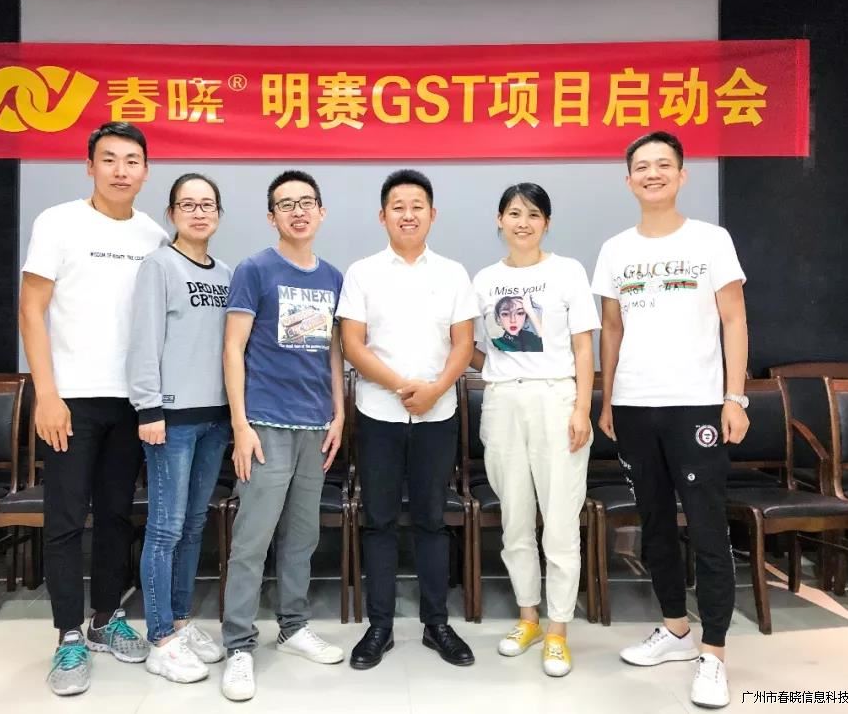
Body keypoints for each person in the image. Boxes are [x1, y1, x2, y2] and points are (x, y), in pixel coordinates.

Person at [591, 131, 749, 710]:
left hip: (697, 404)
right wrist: (608, 399)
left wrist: (735, 397)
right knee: (655, 524)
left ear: (682, 176)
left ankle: (714, 653)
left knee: (706, 527)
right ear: (628, 180)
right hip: (635, 405)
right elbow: (612, 329)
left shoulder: (711, 240)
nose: (652, 173)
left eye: (663, 165)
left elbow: (734, 319)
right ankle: (677, 629)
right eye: (642, 166)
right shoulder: (615, 250)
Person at [20, 122, 167, 696]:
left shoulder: (155, 235)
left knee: (115, 516)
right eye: (109, 159)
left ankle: (106, 618)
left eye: (132, 160)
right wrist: (47, 394)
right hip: (71, 399)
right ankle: (67, 635)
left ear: (146, 172)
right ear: (89, 166)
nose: (121, 170)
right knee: (64, 519)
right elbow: (31, 309)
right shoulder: (58, 222)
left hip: (131, 401)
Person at [338, 169, 478, 671]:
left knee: (431, 520)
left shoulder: (454, 274)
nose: (408, 214)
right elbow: (352, 343)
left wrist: (435, 389)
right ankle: (380, 626)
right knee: (377, 520)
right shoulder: (362, 273)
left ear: (432, 214)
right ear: (383, 216)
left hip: (438, 415)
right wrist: (402, 386)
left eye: (417, 206)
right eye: (398, 206)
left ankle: (436, 624)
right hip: (378, 413)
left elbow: (464, 344)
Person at [219, 170, 346, 702]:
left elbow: (334, 351)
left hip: (315, 427)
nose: (298, 211)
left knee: (302, 537)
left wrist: (339, 413)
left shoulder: (333, 277)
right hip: (265, 425)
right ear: (272, 216)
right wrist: (240, 424)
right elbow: (233, 348)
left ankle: (293, 627)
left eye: (306, 202)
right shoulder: (254, 269)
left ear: (321, 212)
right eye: (286, 204)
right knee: (252, 539)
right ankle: (238, 643)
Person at [470, 183, 598, 677]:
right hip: (503, 402)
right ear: (499, 220)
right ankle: (528, 618)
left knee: (561, 522)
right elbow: (475, 348)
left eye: (532, 214)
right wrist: (499, 369)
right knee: (515, 520)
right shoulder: (484, 280)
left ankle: (558, 629)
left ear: (546, 223)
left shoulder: (567, 272)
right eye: (513, 213)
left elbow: (584, 348)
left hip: (556, 400)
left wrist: (581, 408)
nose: (522, 223)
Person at [125, 173, 231, 684]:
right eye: (188, 204)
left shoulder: (226, 273)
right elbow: (144, 341)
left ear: (219, 215)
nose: (198, 212)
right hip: (171, 420)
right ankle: (160, 637)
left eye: (207, 204)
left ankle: (182, 620)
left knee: (193, 525)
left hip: (216, 417)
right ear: (171, 214)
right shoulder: (159, 265)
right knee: (164, 528)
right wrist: (148, 409)